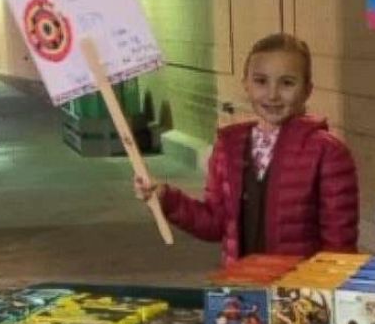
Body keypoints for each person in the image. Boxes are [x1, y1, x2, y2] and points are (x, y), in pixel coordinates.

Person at [134, 33, 359, 264]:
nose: (272, 94)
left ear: (307, 90)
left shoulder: (328, 153)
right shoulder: (228, 147)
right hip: (241, 290)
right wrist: (167, 199)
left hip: (298, 293)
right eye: (261, 81)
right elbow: (214, 223)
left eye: (287, 83)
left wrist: (326, 293)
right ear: (246, 84)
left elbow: (339, 244)